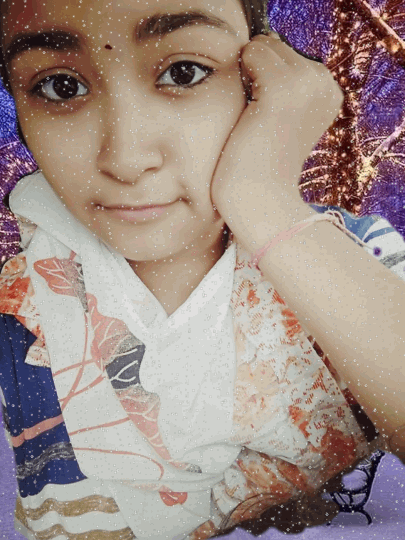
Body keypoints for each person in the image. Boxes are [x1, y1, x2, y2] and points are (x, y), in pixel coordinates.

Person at [0, 0, 404, 539]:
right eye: (61, 87)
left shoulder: (360, 260)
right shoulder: (17, 309)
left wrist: (264, 202)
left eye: (184, 72)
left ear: (260, 83)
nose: (126, 159)